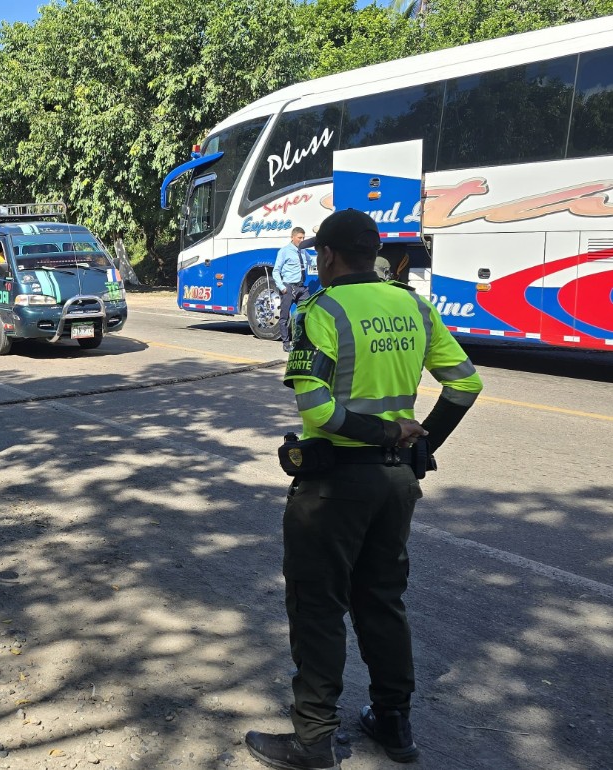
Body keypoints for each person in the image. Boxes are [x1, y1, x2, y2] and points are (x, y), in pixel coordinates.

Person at [245, 209, 484, 770]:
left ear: (326, 256)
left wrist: (383, 431)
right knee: (381, 599)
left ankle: (313, 740)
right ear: (373, 252)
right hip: (395, 483)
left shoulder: (321, 311)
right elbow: (466, 383)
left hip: (333, 488)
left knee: (318, 606)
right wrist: (423, 445)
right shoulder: (414, 307)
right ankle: (394, 724)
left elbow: (319, 410)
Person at [273, 227, 314, 352]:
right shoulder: (284, 251)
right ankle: (286, 343)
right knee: (285, 316)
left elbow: (311, 261)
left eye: (303, 238)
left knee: (306, 313)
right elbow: (276, 271)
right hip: (289, 287)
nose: (302, 240)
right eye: (299, 238)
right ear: (292, 237)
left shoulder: (303, 251)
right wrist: (282, 287)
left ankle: (303, 341)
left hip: (301, 288)